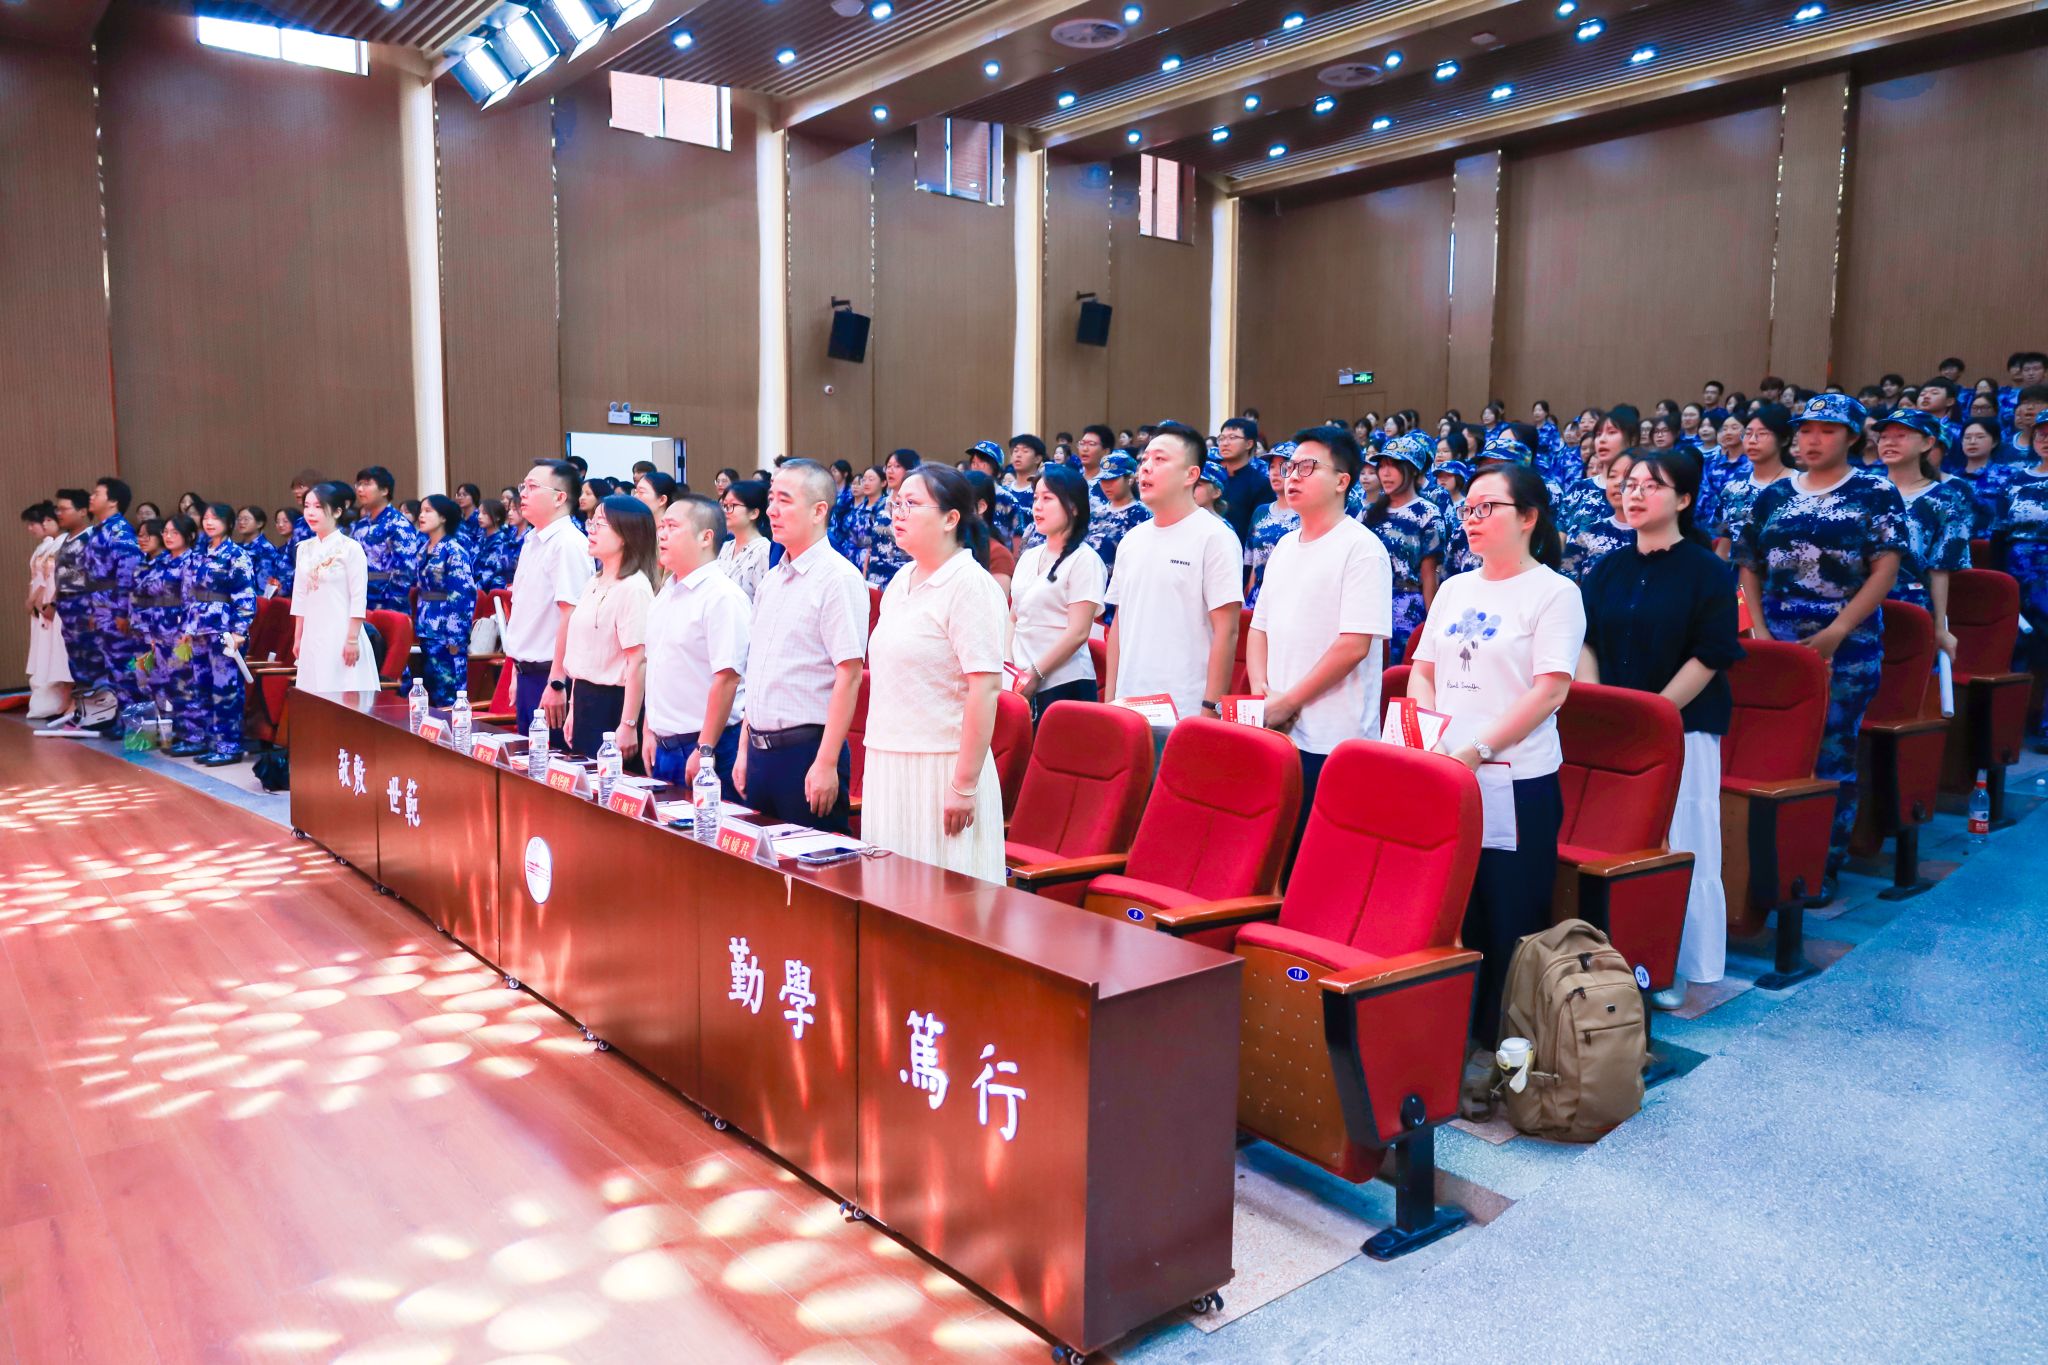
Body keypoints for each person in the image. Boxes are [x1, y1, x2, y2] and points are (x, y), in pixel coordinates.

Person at [1410, 463, 1583, 1043]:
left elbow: (1550, 690)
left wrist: (1476, 750)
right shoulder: (1455, 587)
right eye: (1468, 508)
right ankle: (1451, 1037)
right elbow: (1422, 671)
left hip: (1514, 779)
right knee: (1452, 908)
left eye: (1488, 508)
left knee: (1509, 914)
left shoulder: (1555, 592)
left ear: (1528, 517)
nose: (1472, 518)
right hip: (1446, 771)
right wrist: (1436, 743)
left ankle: (1508, 1046)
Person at [1579, 452, 1743, 1009]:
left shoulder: (1708, 570)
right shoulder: (1608, 567)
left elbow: (1713, 653)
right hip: (1615, 733)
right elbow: (1585, 640)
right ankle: (1613, 959)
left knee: (1683, 842)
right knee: (1619, 848)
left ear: (1684, 499)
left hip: (1681, 727)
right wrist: (1600, 704)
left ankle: (1679, 965)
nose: (1635, 493)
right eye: (1630, 484)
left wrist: (1653, 716)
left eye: (1652, 485)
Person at [1735, 394, 1907, 902]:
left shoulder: (1874, 492)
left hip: (1845, 647)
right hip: (1776, 645)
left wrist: (1839, 630)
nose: (1812, 440)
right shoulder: (1773, 495)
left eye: (1827, 431)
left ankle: (1820, 864)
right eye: (1806, 430)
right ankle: (1761, 863)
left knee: (1832, 754)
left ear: (1851, 436)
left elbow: (1886, 570)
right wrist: (1760, 632)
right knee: (1772, 752)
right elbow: (1748, 566)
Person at [864, 464, 1009, 880]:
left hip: (941, 768)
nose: (898, 513)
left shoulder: (970, 585)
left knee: (946, 900)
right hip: (887, 761)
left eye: (912, 504)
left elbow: (985, 689)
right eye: (896, 504)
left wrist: (963, 785)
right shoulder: (901, 580)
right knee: (887, 893)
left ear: (950, 519)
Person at [1247, 427, 1391, 838]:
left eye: (1307, 467)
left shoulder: (1362, 549)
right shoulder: (1284, 546)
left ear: (1342, 481)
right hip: (1277, 729)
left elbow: (1354, 646)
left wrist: (1289, 701)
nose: (1292, 476)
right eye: (1290, 467)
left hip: (1334, 739)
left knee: (1323, 855)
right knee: (1276, 851)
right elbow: (1258, 629)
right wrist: (1263, 695)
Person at [736, 460, 869, 834]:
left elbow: (849, 675)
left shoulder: (838, 578)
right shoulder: (772, 580)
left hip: (806, 752)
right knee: (758, 864)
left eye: (785, 500)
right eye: (771, 499)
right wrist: (745, 749)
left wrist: (826, 762)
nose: (772, 510)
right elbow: (757, 670)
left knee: (810, 866)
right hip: (760, 752)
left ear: (818, 510)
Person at [1103, 425, 1244, 730]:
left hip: (1184, 709)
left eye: (1160, 459)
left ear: (1191, 475)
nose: (1146, 468)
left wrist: (1210, 709)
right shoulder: (1132, 540)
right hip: (1127, 707)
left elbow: (1227, 631)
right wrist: (1110, 700)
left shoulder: (1215, 537)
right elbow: (1119, 624)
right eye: (1144, 460)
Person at [644, 495, 751, 798]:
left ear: (706, 537)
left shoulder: (722, 597)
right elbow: (656, 668)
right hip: (664, 744)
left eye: (672, 527)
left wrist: (705, 748)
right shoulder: (666, 593)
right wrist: (649, 729)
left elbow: (727, 678)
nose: (662, 534)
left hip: (706, 747)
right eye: (661, 527)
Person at [562, 495, 655, 762]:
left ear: (625, 534)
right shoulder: (595, 580)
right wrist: (573, 709)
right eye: (591, 522)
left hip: (614, 703)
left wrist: (628, 724)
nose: (591, 529)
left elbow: (638, 662)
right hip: (584, 697)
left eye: (600, 524)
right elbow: (583, 653)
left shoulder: (634, 588)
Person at [1009, 464, 1105, 721]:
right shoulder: (1029, 556)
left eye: (1047, 498)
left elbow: (1078, 632)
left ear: (1073, 507)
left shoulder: (1084, 560)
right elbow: (1013, 618)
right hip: (1019, 679)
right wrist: (1009, 669)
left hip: (1064, 683)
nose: (1037, 506)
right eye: (1035, 498)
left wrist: (1035, 673)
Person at [506, 459, 595, 738]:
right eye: (523, 486)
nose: (523, 493)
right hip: (527, 673)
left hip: (550, 676)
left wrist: (557, 682)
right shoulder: (532, 540)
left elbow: (571, 616)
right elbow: (524, 613)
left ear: (559, 498)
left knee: (551, 759)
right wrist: (515, 672)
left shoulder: (567, 544)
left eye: (533, 487)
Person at [1874, 408, 1972, 658]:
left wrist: (1940, 626)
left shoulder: (1944, 498)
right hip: (1856, 603)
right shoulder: (1866, 489)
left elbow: (1940, 569)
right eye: (1884, 437)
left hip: (1908, 603)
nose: (1889, 442)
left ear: (1928, 443)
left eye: (1901, 436)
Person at [1361, 432, 1447, 662]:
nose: (1385, 473)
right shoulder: (1368, 513)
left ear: (1414, 470)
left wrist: (1431, 628)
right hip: (1369, 605)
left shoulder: (1428, 514)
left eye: (1394, 466)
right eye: (1382, 466)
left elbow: (1429, 575)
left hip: (1406, 611)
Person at [183, 504, 257, 765]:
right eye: (206, 518)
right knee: (202, 686)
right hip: (198, 629)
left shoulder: (236, 555)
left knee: (225, 689)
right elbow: (188, 593)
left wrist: (239, 630)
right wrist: (186, 626)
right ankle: (209, 742)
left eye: (215, 518)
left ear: (229, 524)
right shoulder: (197, 554)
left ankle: (229, 745)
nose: (209, 522)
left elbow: (245, 595)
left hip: (223, 630)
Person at [291, 483, 380, 694]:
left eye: (318, 507)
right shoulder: (304, 548)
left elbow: (358, 597)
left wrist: (352, 639)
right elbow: (300, 596)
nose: (310, 513)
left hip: (341, 631)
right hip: (312, 633)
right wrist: (298, 637)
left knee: (342, 691)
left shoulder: (351, 549)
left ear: (337, 512)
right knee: (313, 693)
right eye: (307, 506)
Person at [413, 495, 479, 707]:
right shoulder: (423, 549)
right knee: (430, 693)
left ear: (443, 517)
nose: (421, 516)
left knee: (450, 693)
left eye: (428, 511)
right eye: (421, 511)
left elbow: (462, 596)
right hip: (426, 628)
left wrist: (456, 637)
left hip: (446, 631)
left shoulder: (454, 551)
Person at [131, 515, 189, 747]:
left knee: (177, 682)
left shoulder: (188, 561)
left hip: (176, 632)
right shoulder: (155, 563)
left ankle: (179, 734)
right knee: (148, 681)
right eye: (165, 532)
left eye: (173, 532)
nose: (168, 536)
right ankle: (155, 734)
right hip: (148, 631)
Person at [44, 490, 97, 728]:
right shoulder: (66, 539)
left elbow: (98, 577)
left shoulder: (92, 539)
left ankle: (98, 713)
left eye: (64, 509)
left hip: (85, 607)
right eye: (58, 509)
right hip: (67, 608)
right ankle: (81, 710)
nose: (59, 513)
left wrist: (96, 610)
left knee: (91, 660)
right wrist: (55, 602)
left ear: (83, 511)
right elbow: (63, 575)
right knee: (76, 661)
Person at [22, 502, 71, 720]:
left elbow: (55, 579)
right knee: (44, 653)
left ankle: (62, 702)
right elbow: (38, 579)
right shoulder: (46, 546)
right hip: (42, 606)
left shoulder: (64, 544)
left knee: (58, 653)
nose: (33, 528)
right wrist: (33, 600)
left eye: (38, 522)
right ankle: (47, 702)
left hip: (54, 605)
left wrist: (48, 602)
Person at [348, 466, 419, 615]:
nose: (360, 489)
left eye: (367, 484)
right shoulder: (361, 524)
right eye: (358, 484)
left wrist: (389, 607)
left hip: (387, 605)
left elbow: (405, 571)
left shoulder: (398, 524)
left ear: (384, 490)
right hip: (360, 601)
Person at [1561, 447, 1639, 582]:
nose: (1618, 482)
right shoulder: (1588, 533)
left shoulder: (1654, 535)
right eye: (1612, 476)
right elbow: (1568, 580)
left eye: (1628, 476)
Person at [1243, 451, 1296, 607]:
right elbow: (1252, 559)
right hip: (1258, 596)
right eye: (1272, 467)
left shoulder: (1306, 514)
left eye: (1283, 466)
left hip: (1290, 597)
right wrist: (1251, 588)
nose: (1275, 472)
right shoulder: (1261, 512)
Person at [864, 450, 920, 588]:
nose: (890, 471)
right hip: (875, 581)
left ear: (910, 470)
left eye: (897, 466)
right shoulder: (879, 504)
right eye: (888, 466)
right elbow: (870, 546)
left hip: (904, 582)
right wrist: (864, 577)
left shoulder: (916, 506)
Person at [1214, 417, 1273, 543]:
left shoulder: (1260, 483)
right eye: (1222, 438)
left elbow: (1260, 529)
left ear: (1249, 444)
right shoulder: (1213, 478)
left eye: (1232, 437)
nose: (1225, 443)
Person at [717, 479, 773, 603]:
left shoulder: (764, 551)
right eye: (724, 505)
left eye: (732, 505)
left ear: (753, 513)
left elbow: (764, 601)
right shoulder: (726, 546)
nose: (726, 511)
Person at [233, 505, 282, 597]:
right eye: (239, 519)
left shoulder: (266, 549)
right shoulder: (236, 547)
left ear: (259, 524)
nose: (241, 522)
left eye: (246, 519)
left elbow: (264, 585)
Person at [473, 499, 516, 591]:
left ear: (497, 517)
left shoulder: (502, 541)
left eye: (484, 513)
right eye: (479, 512)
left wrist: (470, 591)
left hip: (493, 591)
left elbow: (491, 573)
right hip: (477, 588)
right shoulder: (481, 538)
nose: (479, 516)